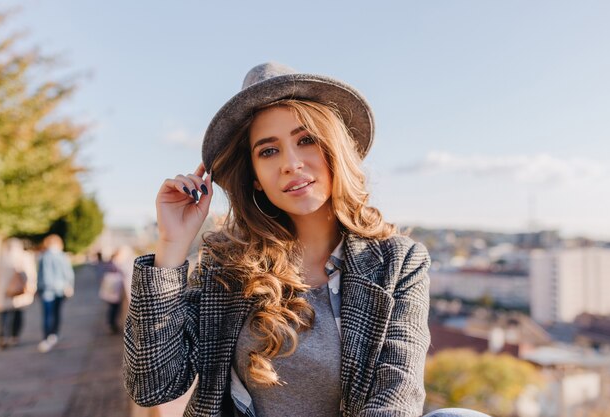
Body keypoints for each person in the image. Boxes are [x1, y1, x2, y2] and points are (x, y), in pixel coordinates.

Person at [123, 63, 491, 417]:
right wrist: (171, 247)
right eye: (269, 150)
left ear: (335, 150)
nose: (291, 163)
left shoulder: (398, 263)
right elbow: (153, 387)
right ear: (255, 177)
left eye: (306, 140)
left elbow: (396, 398)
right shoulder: (226, 265)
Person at [0, 238, 37, 350]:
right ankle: (14, 336)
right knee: (18, 314)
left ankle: (2, 336)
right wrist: (32, 288)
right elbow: (31, 274)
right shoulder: (25, 257)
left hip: (4, 291)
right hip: (19, 290)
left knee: (3, 315)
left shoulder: (2, 257)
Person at [37, 234, 75, 353]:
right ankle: (54, 334)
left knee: (47, 315)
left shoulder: (44, 256)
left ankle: (47, 336)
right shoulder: (62, 256)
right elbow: (69, 273)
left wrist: (39, 288)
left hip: (47, 291)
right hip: (60, 289)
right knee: (57, 313)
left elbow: (41, 275)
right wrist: (69, 286)